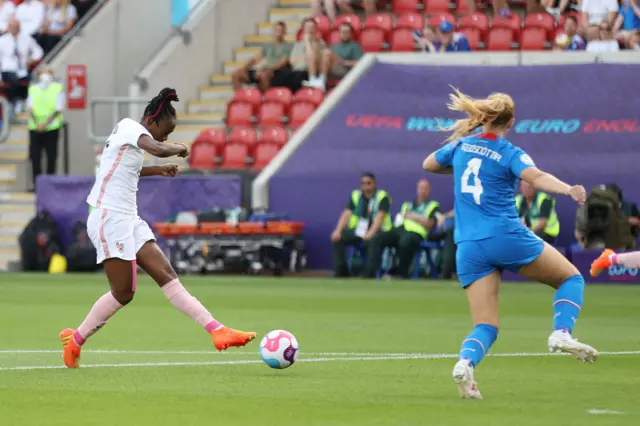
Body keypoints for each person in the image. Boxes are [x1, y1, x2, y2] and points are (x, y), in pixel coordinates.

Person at [59, 88, 256, 369]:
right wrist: (178, 148)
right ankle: (75, 340)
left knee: (168, 275)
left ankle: (218, 331)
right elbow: (158, 149)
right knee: (124, 293)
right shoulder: (130, 127)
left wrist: (159, 170)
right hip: (109, 218)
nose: (164, 136)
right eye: (165, 130)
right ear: (152, 120)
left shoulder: (131, 140)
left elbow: (127, 169)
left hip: (128, 217)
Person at [422, 88, 598, 400]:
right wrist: (568, 189)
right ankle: (561, 332)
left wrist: (465, 150)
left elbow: (428, 165)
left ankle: (466, 363)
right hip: (505, 236)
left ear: (483, 118)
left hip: (469, 246)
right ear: (511, 121)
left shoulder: (461, 145)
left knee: (486, 325)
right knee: (570, 278)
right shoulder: (509, 152)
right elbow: (536, 176)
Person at [367, 179, 439, 279]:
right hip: (400, 229)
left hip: (416, 233)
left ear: (430, 191)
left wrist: (413, 217)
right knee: (378, 237)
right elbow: (401, 218)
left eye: (426, 188)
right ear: (417, 190)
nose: (423, 191)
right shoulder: (407, 205)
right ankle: (370, 272)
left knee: (405, 242)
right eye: (421, 188)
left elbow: (431, 224)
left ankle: (401, 273)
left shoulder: (433, 206)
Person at [330, 172, 392, 277]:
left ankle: (369, 273)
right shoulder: (356, 195)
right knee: (339, 237)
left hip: (378, 231)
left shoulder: (382, 196)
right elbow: (347, 213)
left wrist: (370, 234)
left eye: (369, 183)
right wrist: (338, 230)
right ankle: (341, 271)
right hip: (360, 230)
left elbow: (380, 217)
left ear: (374, 184)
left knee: (374, 239)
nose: (366, 186)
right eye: (363, 183)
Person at [27, 65, 64, 191]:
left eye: (48, 72)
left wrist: (45, 124)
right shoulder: (33, 89)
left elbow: (58, 109)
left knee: (51, 157)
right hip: (35, 128)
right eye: (43, 72)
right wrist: (38, 123)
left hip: (51, 128)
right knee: (35, 157)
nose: (45, 75)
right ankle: (37, 185)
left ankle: (50, 184)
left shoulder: (57, 88)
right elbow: (30, 108)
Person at [231, 21, 292, 92]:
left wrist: (269, 69)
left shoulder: (287, 46)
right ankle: (239, 97)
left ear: (284, 33)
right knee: (235, 74)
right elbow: (256, 58)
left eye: (280, 31)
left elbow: (283, 62)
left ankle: (266, 99)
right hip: (263, 69)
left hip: (276, 71)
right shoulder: (268, 45)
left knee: (263, 75)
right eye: (276, 30)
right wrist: (246, 67)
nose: (278, 33)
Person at [0, 18, 44, 114]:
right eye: (11, 26)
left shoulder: (27, 38)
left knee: (30, 80)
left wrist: (32, 60)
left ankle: (21, 102)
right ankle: (15, 103)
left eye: (15, 26)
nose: (13, 28)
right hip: (7, 70)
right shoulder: (2, 40)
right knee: (14, 79)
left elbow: (38, 51)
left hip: (23, 69)